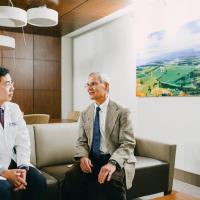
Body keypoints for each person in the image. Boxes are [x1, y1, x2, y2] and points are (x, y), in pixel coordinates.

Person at [62, 72, 136, 200]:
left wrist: (112, 163)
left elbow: (128, 143)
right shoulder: (85, 113)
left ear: (106, 86)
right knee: (71, 175)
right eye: (88, 85)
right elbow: (81, 141)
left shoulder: (122, 111)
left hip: (114, 158)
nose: (89, 88)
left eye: (94, 84)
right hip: (92, 159)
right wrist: (83, 156)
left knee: (110, 180)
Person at [0, 67, 47, 200]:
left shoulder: (13, 109)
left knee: (38, 180)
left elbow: (23, 141)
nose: (12, 88)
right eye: (7, 84)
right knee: (3, 191)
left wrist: (23, 168)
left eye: (12, 84)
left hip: (14, 161)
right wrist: (5, 173)